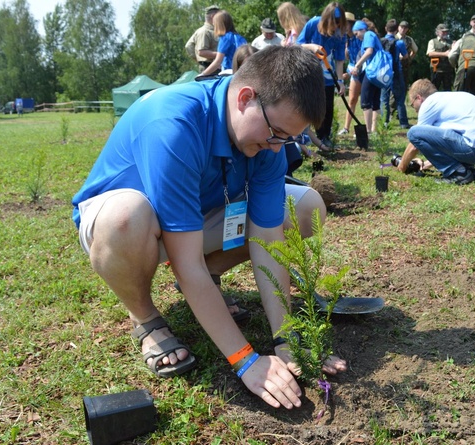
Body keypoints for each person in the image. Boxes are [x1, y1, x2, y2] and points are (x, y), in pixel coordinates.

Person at [71, 45, 347, 409]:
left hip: (198, 215)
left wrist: (286, 339)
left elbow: (268, 241)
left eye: (288, 139)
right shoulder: (174, 124)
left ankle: (207, 278)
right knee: (127, 217)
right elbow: (186, 262)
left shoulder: (267, 143)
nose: (278, 147)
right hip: (128, 225)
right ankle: (147, 318)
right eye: (277, 133)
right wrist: (246, 360)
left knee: (305, 206)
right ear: (245, 98)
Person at [395, 79, 475, 185]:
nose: (414, 108)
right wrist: (426, 164)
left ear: (419, 98)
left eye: (412, 104)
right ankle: (467, 169)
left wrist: (402, 166)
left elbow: (415, 143)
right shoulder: (451, 98)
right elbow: (446, 143)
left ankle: (459, 173)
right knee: (445, 132)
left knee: (414, 132)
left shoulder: (429, 103)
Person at [297, 2, 347, 147]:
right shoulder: (313, 24)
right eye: (334, 24)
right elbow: (297, 44)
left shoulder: (340, 34)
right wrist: (312, 47)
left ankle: (324, 137)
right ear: (326, 20)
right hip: (309, 74)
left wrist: (340, 81)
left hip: (328, 76)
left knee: (327, 108)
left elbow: (339, 59)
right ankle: (303, 136)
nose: (336, 28)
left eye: (339, 25)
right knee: (310, 106)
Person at [449, 14, 475, 101]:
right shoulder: (473, 38)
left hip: (466, 66)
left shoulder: (463, 39)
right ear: (471, 23)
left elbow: (451, 55)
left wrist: (456, 66)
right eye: (474, 22)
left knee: (460, 91)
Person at [351, 19, 382, 134]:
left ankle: (368, 131)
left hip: (372, 72)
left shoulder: (368, 34)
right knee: (375, 102)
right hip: (378, 73)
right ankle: (375, 131)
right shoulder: (372, 35)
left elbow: (369, 52)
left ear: (362, 30)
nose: (356, 37)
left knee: (365, 102)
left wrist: (357, 66)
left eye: (356, 34)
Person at [380, 19, 410, 129]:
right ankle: (403, 122)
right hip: (396, 72)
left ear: (385, 29)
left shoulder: (381, 41)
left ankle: (385, 122)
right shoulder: (400, 42)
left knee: (384, 99)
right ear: (397, 29)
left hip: (384, 73)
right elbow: (405, 56)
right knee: (400, 98)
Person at [199, 11, 247, 77]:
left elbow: (217, 61)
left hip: (229, 74)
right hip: (241, 72)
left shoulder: (225, 38)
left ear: (219, 25)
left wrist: (202, 74)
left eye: (215, 24)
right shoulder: (240, 38)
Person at [338, 12, 361, 136]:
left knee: (368, 103)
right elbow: (351, 60)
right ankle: (346, 128)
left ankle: (371, 129)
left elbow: (363, 56)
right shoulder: (346, 39)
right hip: (354, 73)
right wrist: (348, 72)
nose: (343, 26)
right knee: (351, 100)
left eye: (345, 23)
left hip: (365, 72)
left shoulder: (359, 38)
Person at [185, 5, 220, 74]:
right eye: (219, 16)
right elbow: (201, 52)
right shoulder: (204, 31)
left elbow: (189, 46)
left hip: (214, 66)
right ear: (213, 16)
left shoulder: (213, 31)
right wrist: (221, 54)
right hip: (208, 67)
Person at [426, 23, 454, 91]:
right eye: (443, 31)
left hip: (448, 69)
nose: (445, 33)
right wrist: (444, 54)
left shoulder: (451, 42)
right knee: (434, 89)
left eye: (446, 31)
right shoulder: (432, 41)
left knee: (448, 89)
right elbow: (430, 53)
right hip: (436, 69)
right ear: (437, 32)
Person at [396, 21, 417, 88]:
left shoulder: (409, 39)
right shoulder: (393, 38)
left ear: (407, 29)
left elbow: (415, 50)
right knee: (395, 86)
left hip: (405, 67)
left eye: (405, 28)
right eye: (402, 27)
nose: (403, 29)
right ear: (398, 27)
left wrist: (409, 59)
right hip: (394, 66)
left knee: (404, 86)